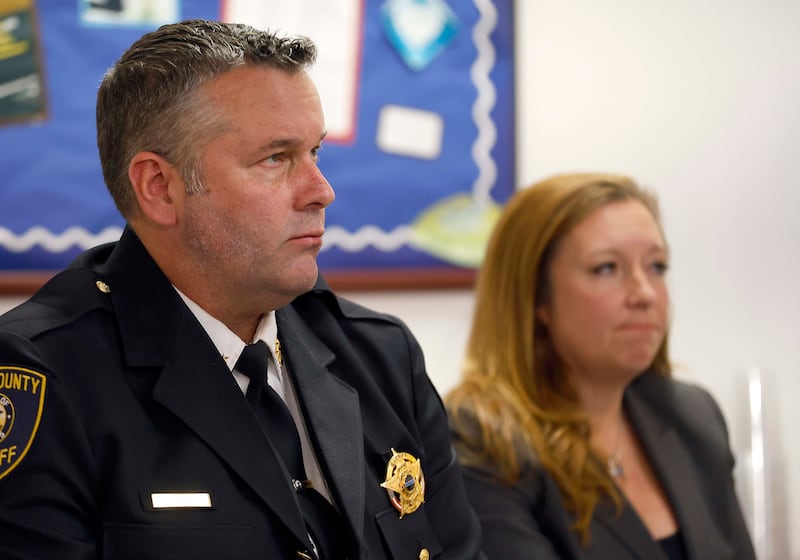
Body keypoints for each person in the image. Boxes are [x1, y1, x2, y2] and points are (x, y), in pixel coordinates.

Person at [0, 19, 484, 560]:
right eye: (275, 159)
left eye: (316, 153)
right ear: (160, 188)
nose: (321, 191)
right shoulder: (46, 374)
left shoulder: (378, 354)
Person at [445, 173, 756, 559]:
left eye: (657, 266)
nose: (644, 293)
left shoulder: (692, 415)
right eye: (607, 268)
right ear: (535, 297)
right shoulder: (480, 443)